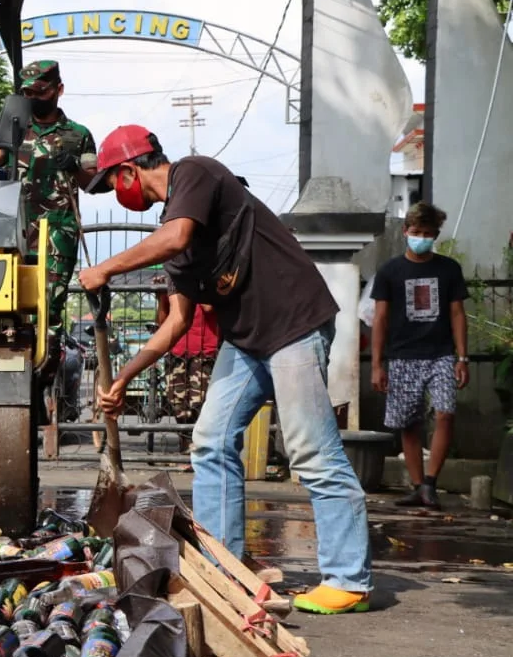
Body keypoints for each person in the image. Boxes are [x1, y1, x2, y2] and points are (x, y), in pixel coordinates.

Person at [77, 124, 372, 615]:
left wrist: (107, 267)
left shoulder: (196, 173)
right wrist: (124, 378)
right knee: (211, 442)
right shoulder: (176, 243)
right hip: (248, 340)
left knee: (310, 450)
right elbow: (177, 323)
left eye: (111, 184)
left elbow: (176, 235)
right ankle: (224, 565)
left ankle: (349, 580)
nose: (115, 193)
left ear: (129, 170)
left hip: (293, 323)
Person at [371, 202, 469, 510]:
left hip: (441, 354)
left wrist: (462, 357)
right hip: (402, 356)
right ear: (405, 232)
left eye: (428, 233)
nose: (422, 237)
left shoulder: (448, 269)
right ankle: (417, 487)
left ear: (436, 235)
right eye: (416, 232)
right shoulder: (389, 271)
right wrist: (376, 364)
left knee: (445, 412)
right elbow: (381, 318)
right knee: (408, 423)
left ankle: (430, 483)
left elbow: (457, 313)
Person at [14, 60, 97, 335]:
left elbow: (92, 182)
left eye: (41, 91)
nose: (34, 98)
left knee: (47, 310)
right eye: (29, 93)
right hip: (16, 231)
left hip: (57, 234)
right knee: (10, 304)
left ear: (58, 89)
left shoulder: (79, 134)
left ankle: (45, 373)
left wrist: (73, 165)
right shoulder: (13, 131)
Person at [156, 280, 219, 463]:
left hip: (203, 351)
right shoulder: (176, 282)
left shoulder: (205, 281)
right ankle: (187, 449)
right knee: (177, 404)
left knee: (198, 403)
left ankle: (197, 452)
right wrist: (163, 294)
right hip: (177, 351)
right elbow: (162, 321)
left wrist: (193, 282)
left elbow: (208, 308)